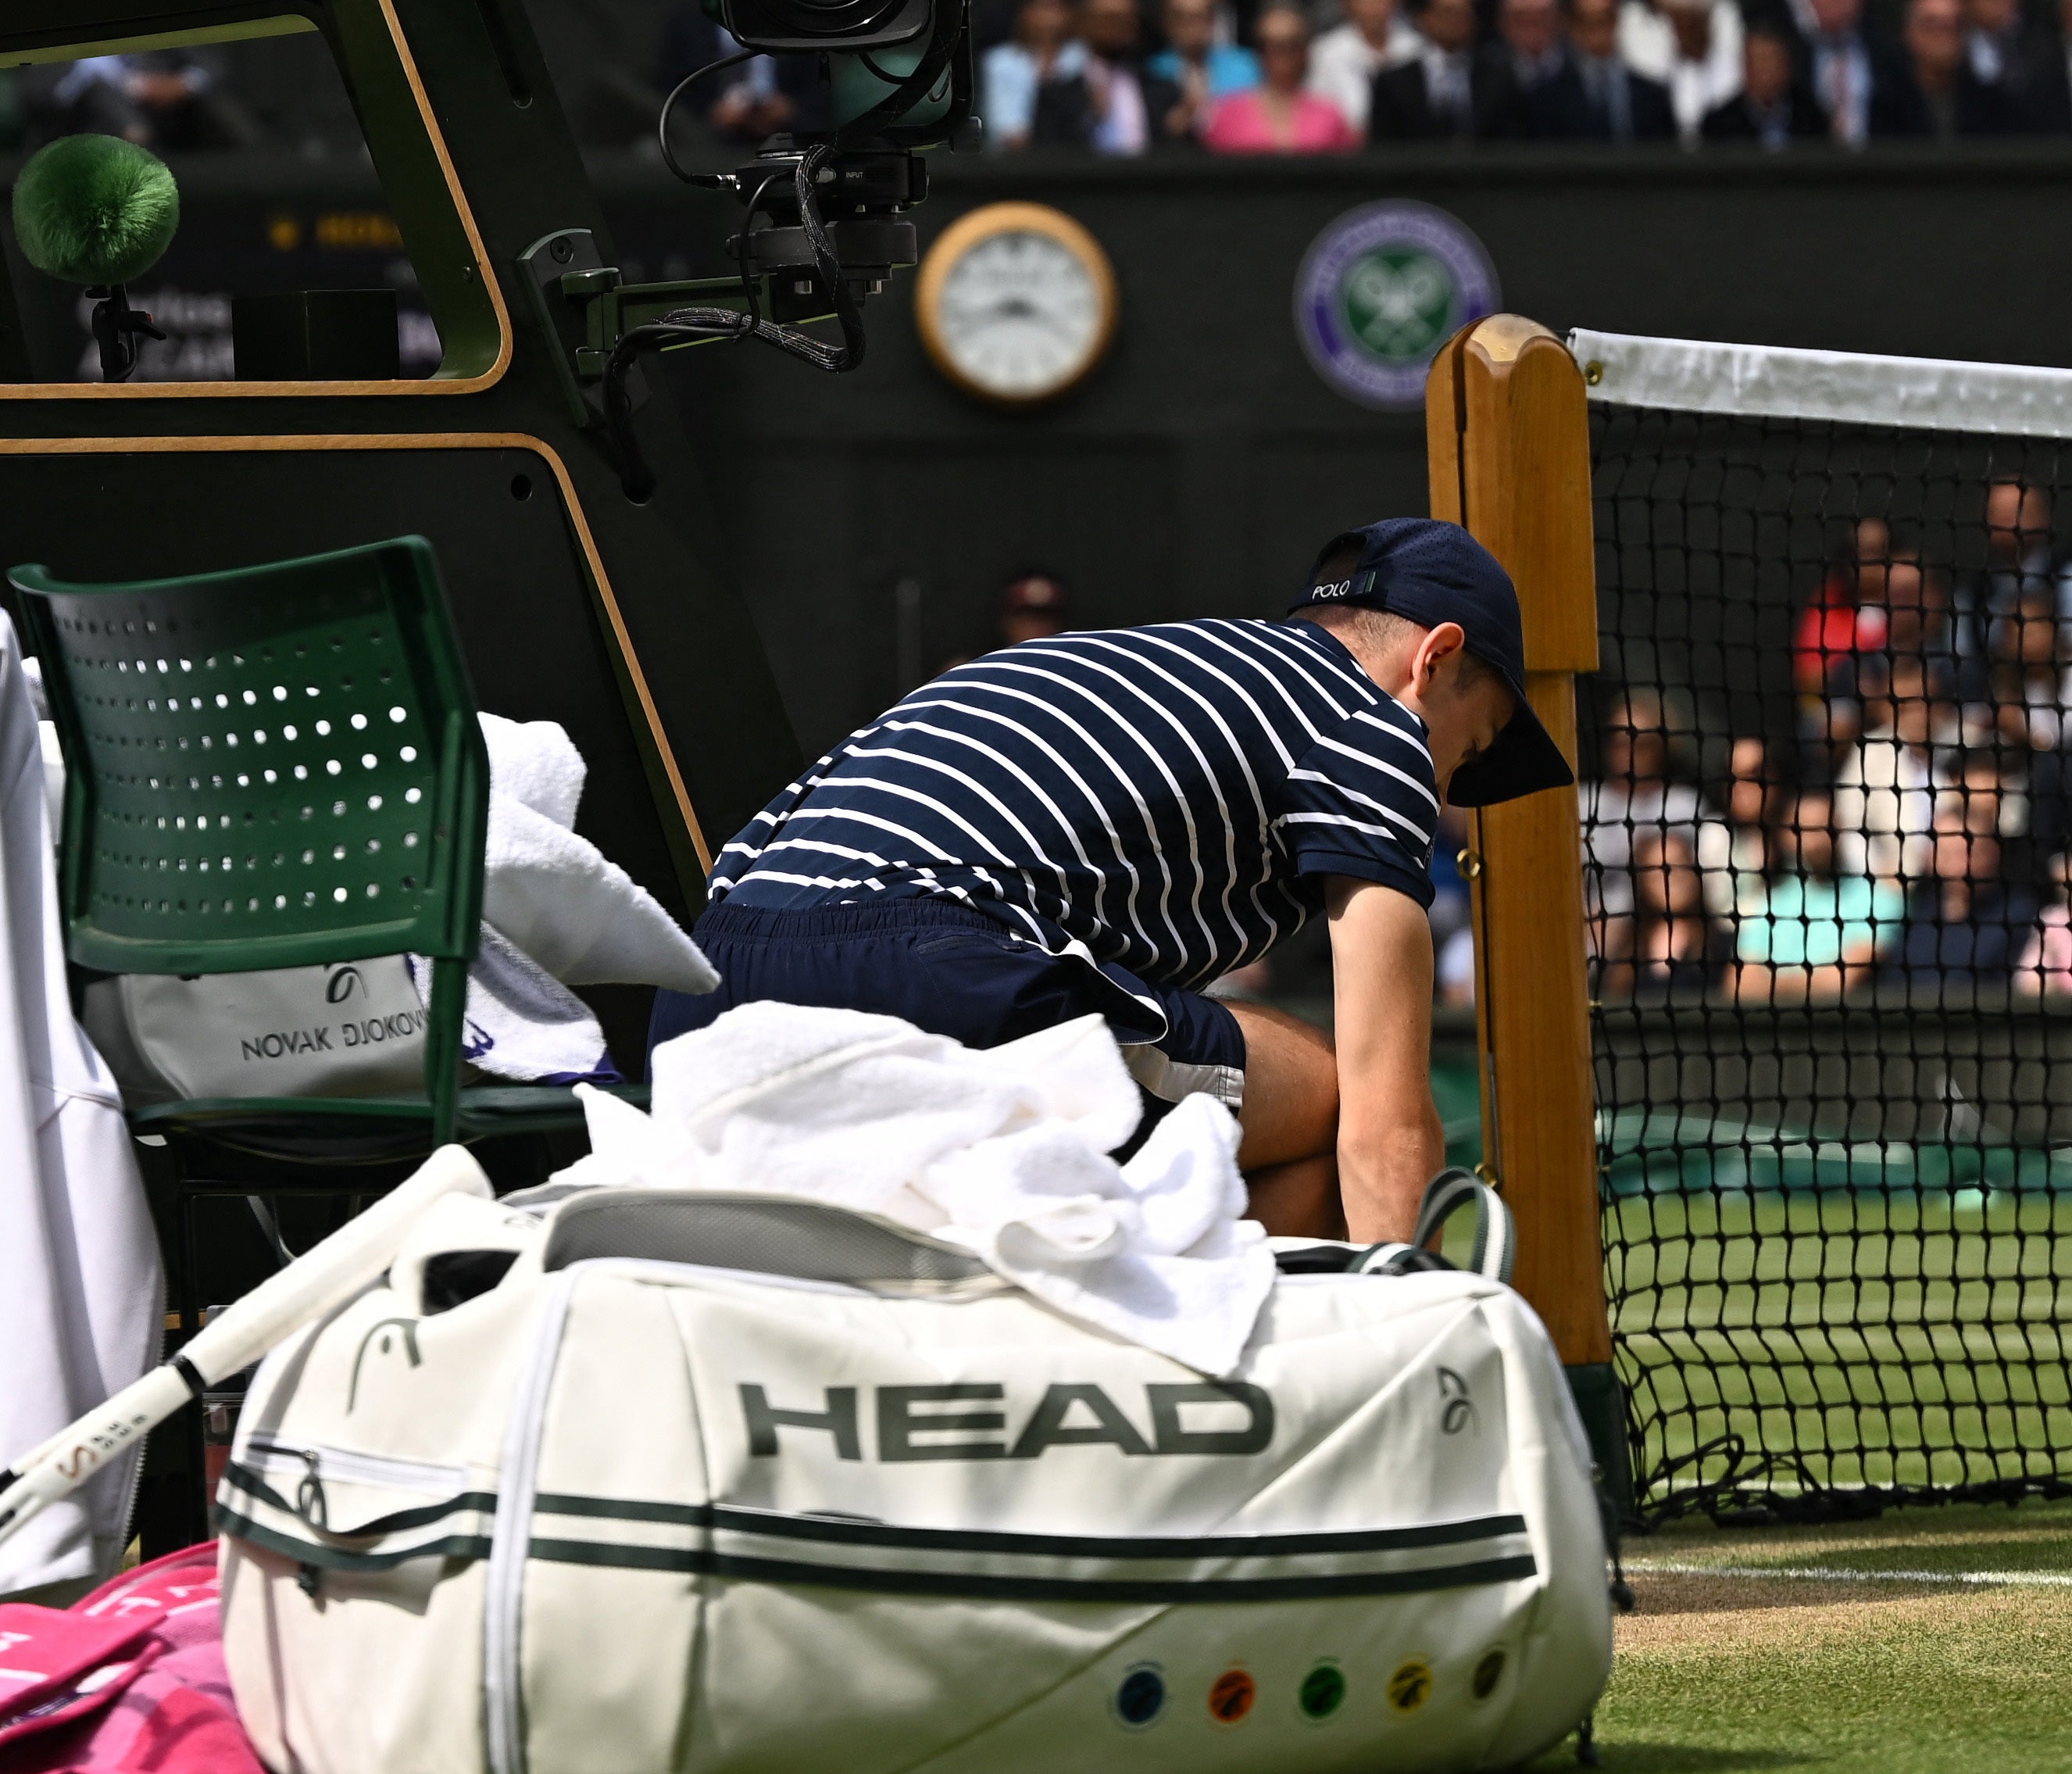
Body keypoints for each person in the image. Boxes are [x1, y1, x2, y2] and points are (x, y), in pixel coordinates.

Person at [670, 517, 1566, 1241]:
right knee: (1329, 1093)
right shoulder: (1374, 724)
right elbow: (1382, 1116)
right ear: (1434, 659)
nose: (1445, 788)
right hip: (929, 970)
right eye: (1472, 747)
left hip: (706, 999)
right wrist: (1431, 1334)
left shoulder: (1146, 666)